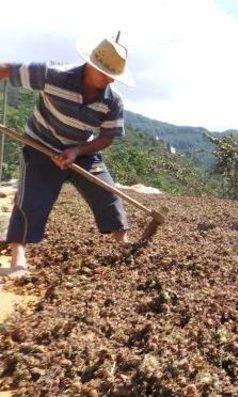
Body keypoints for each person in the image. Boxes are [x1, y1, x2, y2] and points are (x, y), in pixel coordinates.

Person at [0, 33, 134, 279]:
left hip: (81, 150)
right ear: (91, 64)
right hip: (41, 146)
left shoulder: (112, 101)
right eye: (105, 73)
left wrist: (76, 151)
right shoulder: (54, 75)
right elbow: (7, 69)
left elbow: (107, 138)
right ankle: (18, 259)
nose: (109, 81)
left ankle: (124, 246)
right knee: (31, 200)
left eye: (113, 76)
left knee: (108, 193)